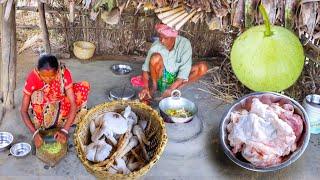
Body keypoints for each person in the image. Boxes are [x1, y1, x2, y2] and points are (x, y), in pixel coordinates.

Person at [20, 54, 90, 148]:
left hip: (60, 102)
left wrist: (65, 131)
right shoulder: (33, 77)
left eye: (51, 76)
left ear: (57, 71)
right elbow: (23, 111)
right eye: (44, 76)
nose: (47, 79)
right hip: (44, 107)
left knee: (82, 88)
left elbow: (73, 103)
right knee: (37, 96)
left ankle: (62, 122)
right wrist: (35, 133)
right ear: (38, 71)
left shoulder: (63, 73)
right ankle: (48, 123)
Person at [139, 24, 208, 102]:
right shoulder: (156, 46)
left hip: (179, 78)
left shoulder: (185, 44)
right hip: (161, 76)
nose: (162, 41)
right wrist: (145, 87)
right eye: (160, 37)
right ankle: (154, 87)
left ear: (174, 37)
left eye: (166, 38)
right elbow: (145, 70)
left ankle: (176, 90)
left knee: (202, 67)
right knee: (155, 57)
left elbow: (184, 71)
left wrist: (171, 88)